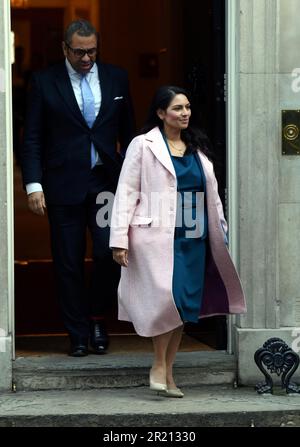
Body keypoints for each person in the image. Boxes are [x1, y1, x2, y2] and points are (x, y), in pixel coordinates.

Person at [109, 85, 246, 397]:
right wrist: (119, 239)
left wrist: (220, 229)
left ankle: (168, 373)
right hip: (157, 236)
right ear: (161, 113)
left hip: (194, 235)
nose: (185, 113)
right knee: (165, 300)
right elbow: (126, 192)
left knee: (184, 304)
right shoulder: (142, 146)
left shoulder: (196, 146)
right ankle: (158, 365)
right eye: (177, 109)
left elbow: (211, 194)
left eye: (187, 108)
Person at [21, 19, 135, 357]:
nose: (86, 59)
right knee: (68, 261)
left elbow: (129, 135)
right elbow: (32, 137)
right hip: (62, 184)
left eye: (92, 51)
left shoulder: (116, 77)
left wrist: (133, 182)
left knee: (107, 253)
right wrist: (33, 184)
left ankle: (98, 318)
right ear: (65, 49)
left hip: (104, 183)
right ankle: (78, 333)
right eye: (79, 52)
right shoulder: (44, 82)